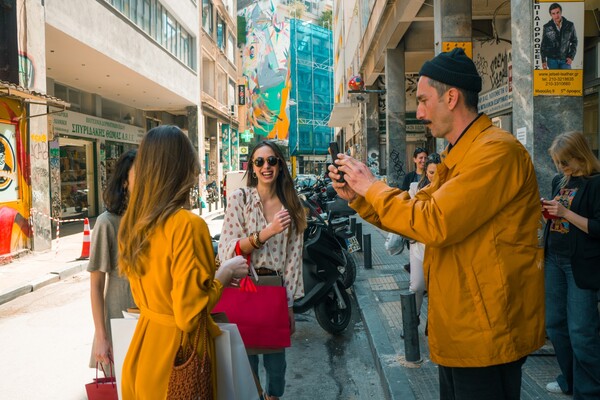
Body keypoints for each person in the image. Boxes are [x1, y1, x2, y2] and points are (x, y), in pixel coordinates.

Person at [328, 48, 545, 400]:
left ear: (452, 97)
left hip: (485, 331)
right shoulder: (458, 157)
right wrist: (359, 198)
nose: (420, 111)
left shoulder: (496, 153)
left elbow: (433, 221)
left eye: (424, 100)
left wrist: (371, 185)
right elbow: (415, 212)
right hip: (461, 325)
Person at [118, 125, 249, 399]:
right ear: (183, 169)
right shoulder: (187, 226)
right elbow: (189, 314)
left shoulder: (133, 224)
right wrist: (223, 274)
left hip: (143, 352)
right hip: (178, 361)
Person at [218, 141, 306, 400]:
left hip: (274, 291)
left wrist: (290, 307)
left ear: (280, 165)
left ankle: (272, 397)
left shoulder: (292, 205)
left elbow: (292, 261)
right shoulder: (240, 199)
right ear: (252, 168)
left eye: (272, 161)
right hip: (244, 287)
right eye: (260, 162)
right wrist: (267, 233)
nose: (266, 166)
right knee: (246, 363)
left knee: (277, 366)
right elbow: (227, 250)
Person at [541, 131, 600, 398]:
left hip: (580, 265)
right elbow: (559, 220)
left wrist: (565, 212)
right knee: (555, 324)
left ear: (580, 156)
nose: (561, 167)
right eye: (557, 162)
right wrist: (548, 213)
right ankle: (570, 380)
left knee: (582, 331)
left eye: (565, 162)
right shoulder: (559, 180)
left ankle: (589, 391)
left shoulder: (596, 183)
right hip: (554, 258)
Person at [88, 149, 137, 374]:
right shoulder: (106, 223)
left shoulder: (155, 220)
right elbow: (96, 284)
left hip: (152, 320)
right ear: (124, 182)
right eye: (140, 174)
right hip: (118, 318)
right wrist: (101, 336)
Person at [406, 153, 441, 322]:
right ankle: (413, 318)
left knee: (438, 289)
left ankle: (433, 324)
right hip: (419, 245)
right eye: (432, 172)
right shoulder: (415, 189)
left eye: (438, 172)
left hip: (441, 247)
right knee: (417, 285)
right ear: (426, 172)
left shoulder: (449, 190)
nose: (435, 176)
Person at [541, 3, 578, 70]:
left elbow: (574, 41)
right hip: (551, 60)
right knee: (553, 80)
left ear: (561, 12)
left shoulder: (570, 25)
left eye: (558, 12)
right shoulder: (546, 27)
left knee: (567, 79)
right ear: (551, 15)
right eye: (553, 13)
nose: (556, 16)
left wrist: (571, 56)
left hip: (565, 60)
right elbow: (544, 45)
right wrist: (543, 60)